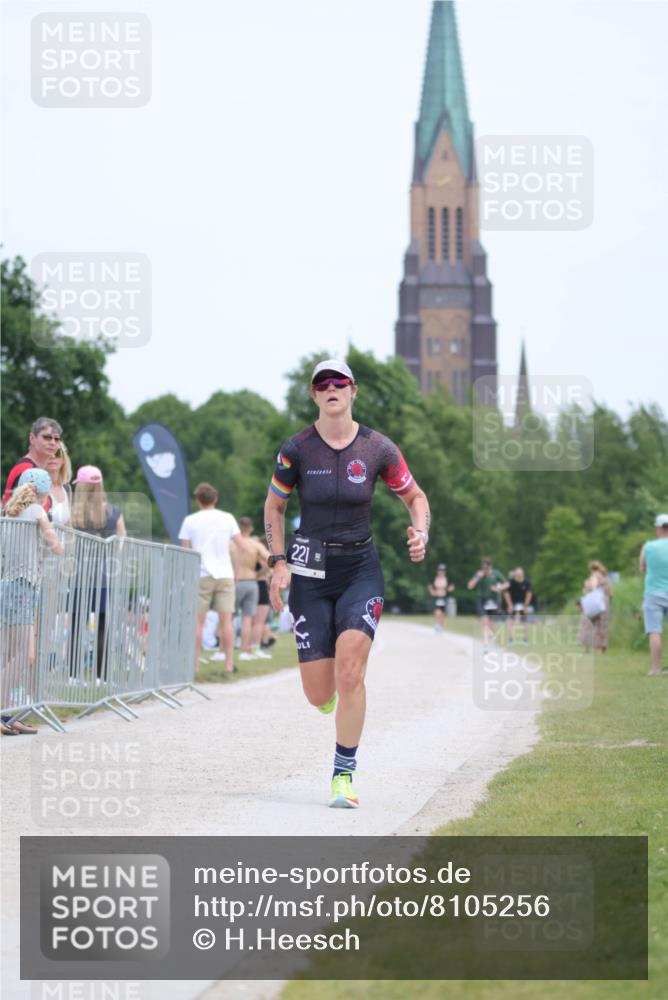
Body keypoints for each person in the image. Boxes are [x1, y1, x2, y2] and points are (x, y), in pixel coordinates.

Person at [264, 358, 430, 809]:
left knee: (351, 670)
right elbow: (274, 507)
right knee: (319, 692)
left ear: (353, 390)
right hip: (310, 572)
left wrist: (422, 531)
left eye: (340, 382)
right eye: (323, 383)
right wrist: (278, 561)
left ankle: (343, 775)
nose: (332, 388)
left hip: (360, 568)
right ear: (314, 394)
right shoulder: (296, 448)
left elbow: (415, 497)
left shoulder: (378, 448)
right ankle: (327, 694)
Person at [1, 469, 63, 735]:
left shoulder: (10, 513)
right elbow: (52, 540)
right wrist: (60, 546)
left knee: (7, 654)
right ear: (43, 491)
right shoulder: (37, 510)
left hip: (7, 586)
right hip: (22, 587)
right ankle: (2, 710)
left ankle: (7, 713)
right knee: (25, 654)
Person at [178, 483, 244, 675]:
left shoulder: (190, 521)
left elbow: (185, 549)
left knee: (198, 622)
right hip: (224, 573)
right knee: (227, 621)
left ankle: (195, 665)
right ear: (215, 499)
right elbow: (241, 545)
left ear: (198, 500)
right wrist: (236, 571)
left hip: (201, 574)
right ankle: (229, 664)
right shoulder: (227, 518)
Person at [69, 465, 126, 680]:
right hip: (105, 575)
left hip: (79, 575)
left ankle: (73, 676)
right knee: (103, 625)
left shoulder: (74, 514)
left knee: (76, 624)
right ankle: (101, 677)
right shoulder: (114, 513)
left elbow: (69, 544)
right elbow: (122, 541)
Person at [2, 417, 63, 512]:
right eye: (47, 437)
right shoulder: (25, 469)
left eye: (57, 439)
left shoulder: (38, 471)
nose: (52, 442)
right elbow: (22, 512)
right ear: (32, 438)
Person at [234, 517, 271, 661]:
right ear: (250, 528)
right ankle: (247, 650)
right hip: (252, 581)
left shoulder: (231, 544)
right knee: (250, 620)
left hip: (233, 581)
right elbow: (270, 560)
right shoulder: (255, 545)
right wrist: (260, 573)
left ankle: (222, 651)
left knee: (226, 619)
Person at [639, 513, 668, 676]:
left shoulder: (648, 546)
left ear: (658, 528)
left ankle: (656, 668)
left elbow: (642, 568)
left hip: (654, 593)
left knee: (654, 631)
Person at [467, 558, 508, 653]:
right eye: (483, 568)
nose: (485, 570)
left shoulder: (496, 573)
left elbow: (506, 584)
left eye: (487, 568)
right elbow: (469, 586)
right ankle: (485, 645)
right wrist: (477, 577)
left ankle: (491, 641)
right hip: (482, 600)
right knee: (484, 622)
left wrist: (498, 588)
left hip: (493, 600)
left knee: (492, 624)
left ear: (490, 567)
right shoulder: (479, 574)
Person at [577, 560, 611, 652]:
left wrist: (586, 584)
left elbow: (593, 587)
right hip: (605, 603)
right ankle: (603, 646)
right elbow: (610, 592)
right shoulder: (606, 577)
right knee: (602, 625)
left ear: (591, 569)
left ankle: (587, 647)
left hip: (594, 603)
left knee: (587, 624)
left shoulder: (595, 575)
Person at [46, 440, 73, 526]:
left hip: (61, 540)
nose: (53, 456)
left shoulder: (67, 489)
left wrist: (72, 540)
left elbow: (69, 528)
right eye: (48, 452)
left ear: (63, 460)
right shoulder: (35, 486)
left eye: (58, 453)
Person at [504, 567, 533, 645]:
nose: (519, 575)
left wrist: (526, 605)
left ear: (523, 574)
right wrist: (509, 605)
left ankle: (525, 639)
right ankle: (510, 639)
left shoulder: (526, 582)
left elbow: (529, 594)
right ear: (515, 574)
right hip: (513, 603)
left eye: (521, 574)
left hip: (523, 603)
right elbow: (506, 594)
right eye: (518, 574)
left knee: (525, 621)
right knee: (511, 620)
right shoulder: (511, 582)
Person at [428, 563, 454, 633]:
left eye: (442, 570)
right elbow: (430, 586)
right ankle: (437, 624)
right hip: (436, 597)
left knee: (442, 613)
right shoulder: (434, 578)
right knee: (437, 612)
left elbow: (451, 587)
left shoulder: (447, 578)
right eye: (440, 570)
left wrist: (449, 589)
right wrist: (432, 591)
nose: (441, 572)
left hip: (444, 597)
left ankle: (441, 626)